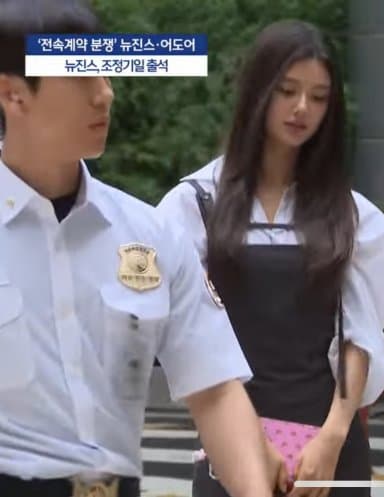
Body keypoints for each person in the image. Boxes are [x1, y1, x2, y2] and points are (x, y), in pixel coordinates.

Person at [0, 1, 288, 497]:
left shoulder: (151, 235)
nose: (105, 94)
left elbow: (215, 389)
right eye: (81, 76)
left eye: (106, 73)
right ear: (13, 94)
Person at [156, 20, 384, 497]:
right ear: (257, 92)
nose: (302, 108)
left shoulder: (353, 217)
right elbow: (185, 340)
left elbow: (360, 335)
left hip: (329, 451)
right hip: (231, 444)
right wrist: (248, 442)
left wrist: (333, 436)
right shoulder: (194, 205)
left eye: (319, 96)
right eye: (287, 91)